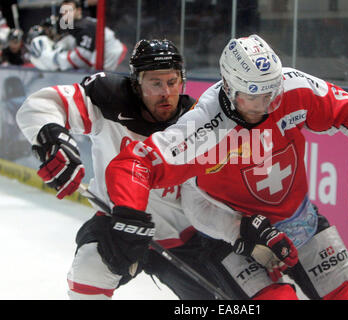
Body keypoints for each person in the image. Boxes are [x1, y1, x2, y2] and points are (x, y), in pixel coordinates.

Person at [104, 34, 348, 300]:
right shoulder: (204, 127)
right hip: (232, 232)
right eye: (253, 99)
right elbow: (134, 164)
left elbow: (342, 108)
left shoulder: (290, 88)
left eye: (271, 94)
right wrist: (129, 215)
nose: (266, 107)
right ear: (229, 88)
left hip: (297, 219)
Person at [16, 39, 243, 300]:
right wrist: (52, 137)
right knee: (89, 270)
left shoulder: (197, 120)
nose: (166, 93)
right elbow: (38, 105)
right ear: (136, 84)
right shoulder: (109, 100)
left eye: (172, 82)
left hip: (182, 239)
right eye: (155, 83)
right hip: (116, 223)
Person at [27, 0, 126, 72]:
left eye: (69, 10)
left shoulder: (85, 25)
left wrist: (55, 58)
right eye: (63, 11)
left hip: (118, 64)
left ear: (79, 11)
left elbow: (82, 59)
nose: (65, 14)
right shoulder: (78, 25)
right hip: (113, 63)